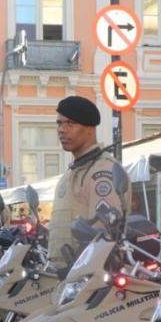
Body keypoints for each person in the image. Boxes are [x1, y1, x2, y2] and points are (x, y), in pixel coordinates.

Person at [47, 96, 130, 266]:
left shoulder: (103, 171)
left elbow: (103, 236)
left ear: (90, 129)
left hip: (87, 277)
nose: (62, 130)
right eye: (59, 123)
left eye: (70, 123)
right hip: (64, 276)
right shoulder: (71, 172)